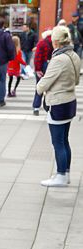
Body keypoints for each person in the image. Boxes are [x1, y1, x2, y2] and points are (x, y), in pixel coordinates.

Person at [37, 26, 80, 187]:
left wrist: (39, 87)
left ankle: (61, 175)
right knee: (64, 140)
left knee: (58, 142)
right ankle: (65, 173)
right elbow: (76, 80)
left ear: (55, 42)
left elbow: (44, 84)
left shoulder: (58, 59)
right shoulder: (74, 55)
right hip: (70, 102)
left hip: (58, 103)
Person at [32, 28, 53, 116]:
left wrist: (37, 69)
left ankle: (36, 107)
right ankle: (47, 106)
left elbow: (37, 58)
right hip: (52, 65)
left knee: (39, 86)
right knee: (50, 87)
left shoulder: (42, 43)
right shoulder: (55, 43)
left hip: (43, 65)